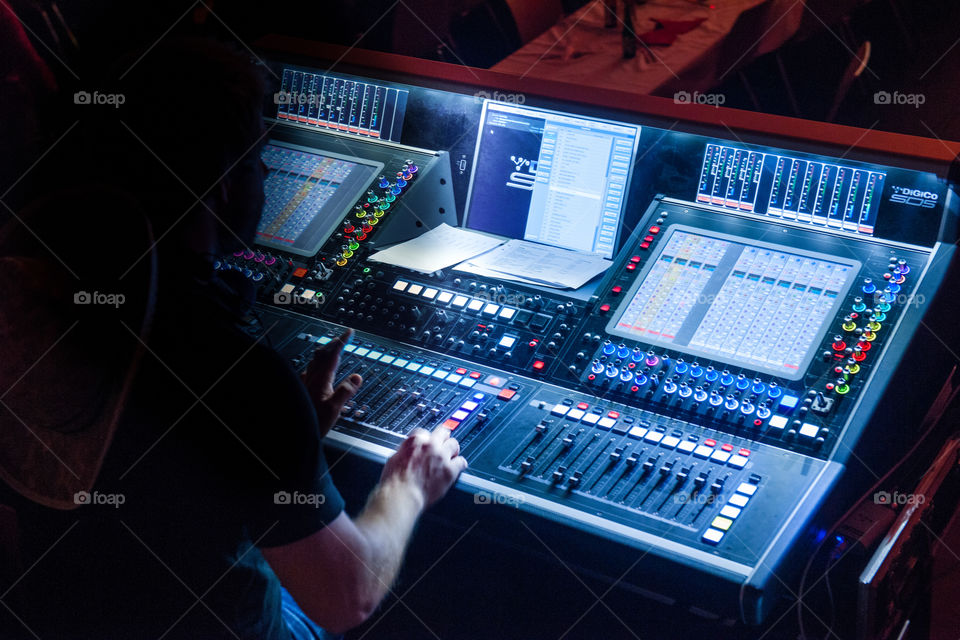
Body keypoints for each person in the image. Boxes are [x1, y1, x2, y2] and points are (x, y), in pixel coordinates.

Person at [0, 36, 467, 639]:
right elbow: (346, 595)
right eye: (257, 157)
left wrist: (279, 446)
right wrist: (407, 486)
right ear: (224, 183)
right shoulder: (232, 372)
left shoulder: (29, 301)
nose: (266, 175)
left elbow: (157, 475)